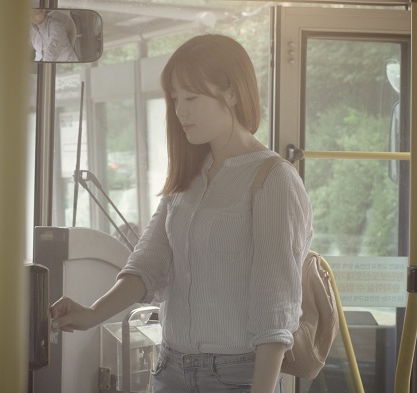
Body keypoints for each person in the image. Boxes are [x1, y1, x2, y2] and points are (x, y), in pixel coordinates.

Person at [50, 34, 313, 393]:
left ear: (232, 94)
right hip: (170, 368)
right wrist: (92, 314)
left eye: (191, 98)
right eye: (175, 99)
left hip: (237, 377)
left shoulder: (273, 179)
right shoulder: (188, 176)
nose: (179, 111)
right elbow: (149, 264)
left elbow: (276, 307)